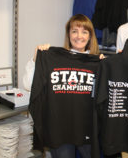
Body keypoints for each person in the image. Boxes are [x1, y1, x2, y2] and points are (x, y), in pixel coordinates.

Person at [23, 14, 103, 158]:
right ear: (68, 35)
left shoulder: (99, 63)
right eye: (74, 31)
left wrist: (108, 66)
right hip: (60, 129)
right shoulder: (52, 58)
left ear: (90, 36)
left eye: (84, 32)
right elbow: (29, 85)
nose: (79, 36)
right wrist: (37, 59)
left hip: (87, 127)